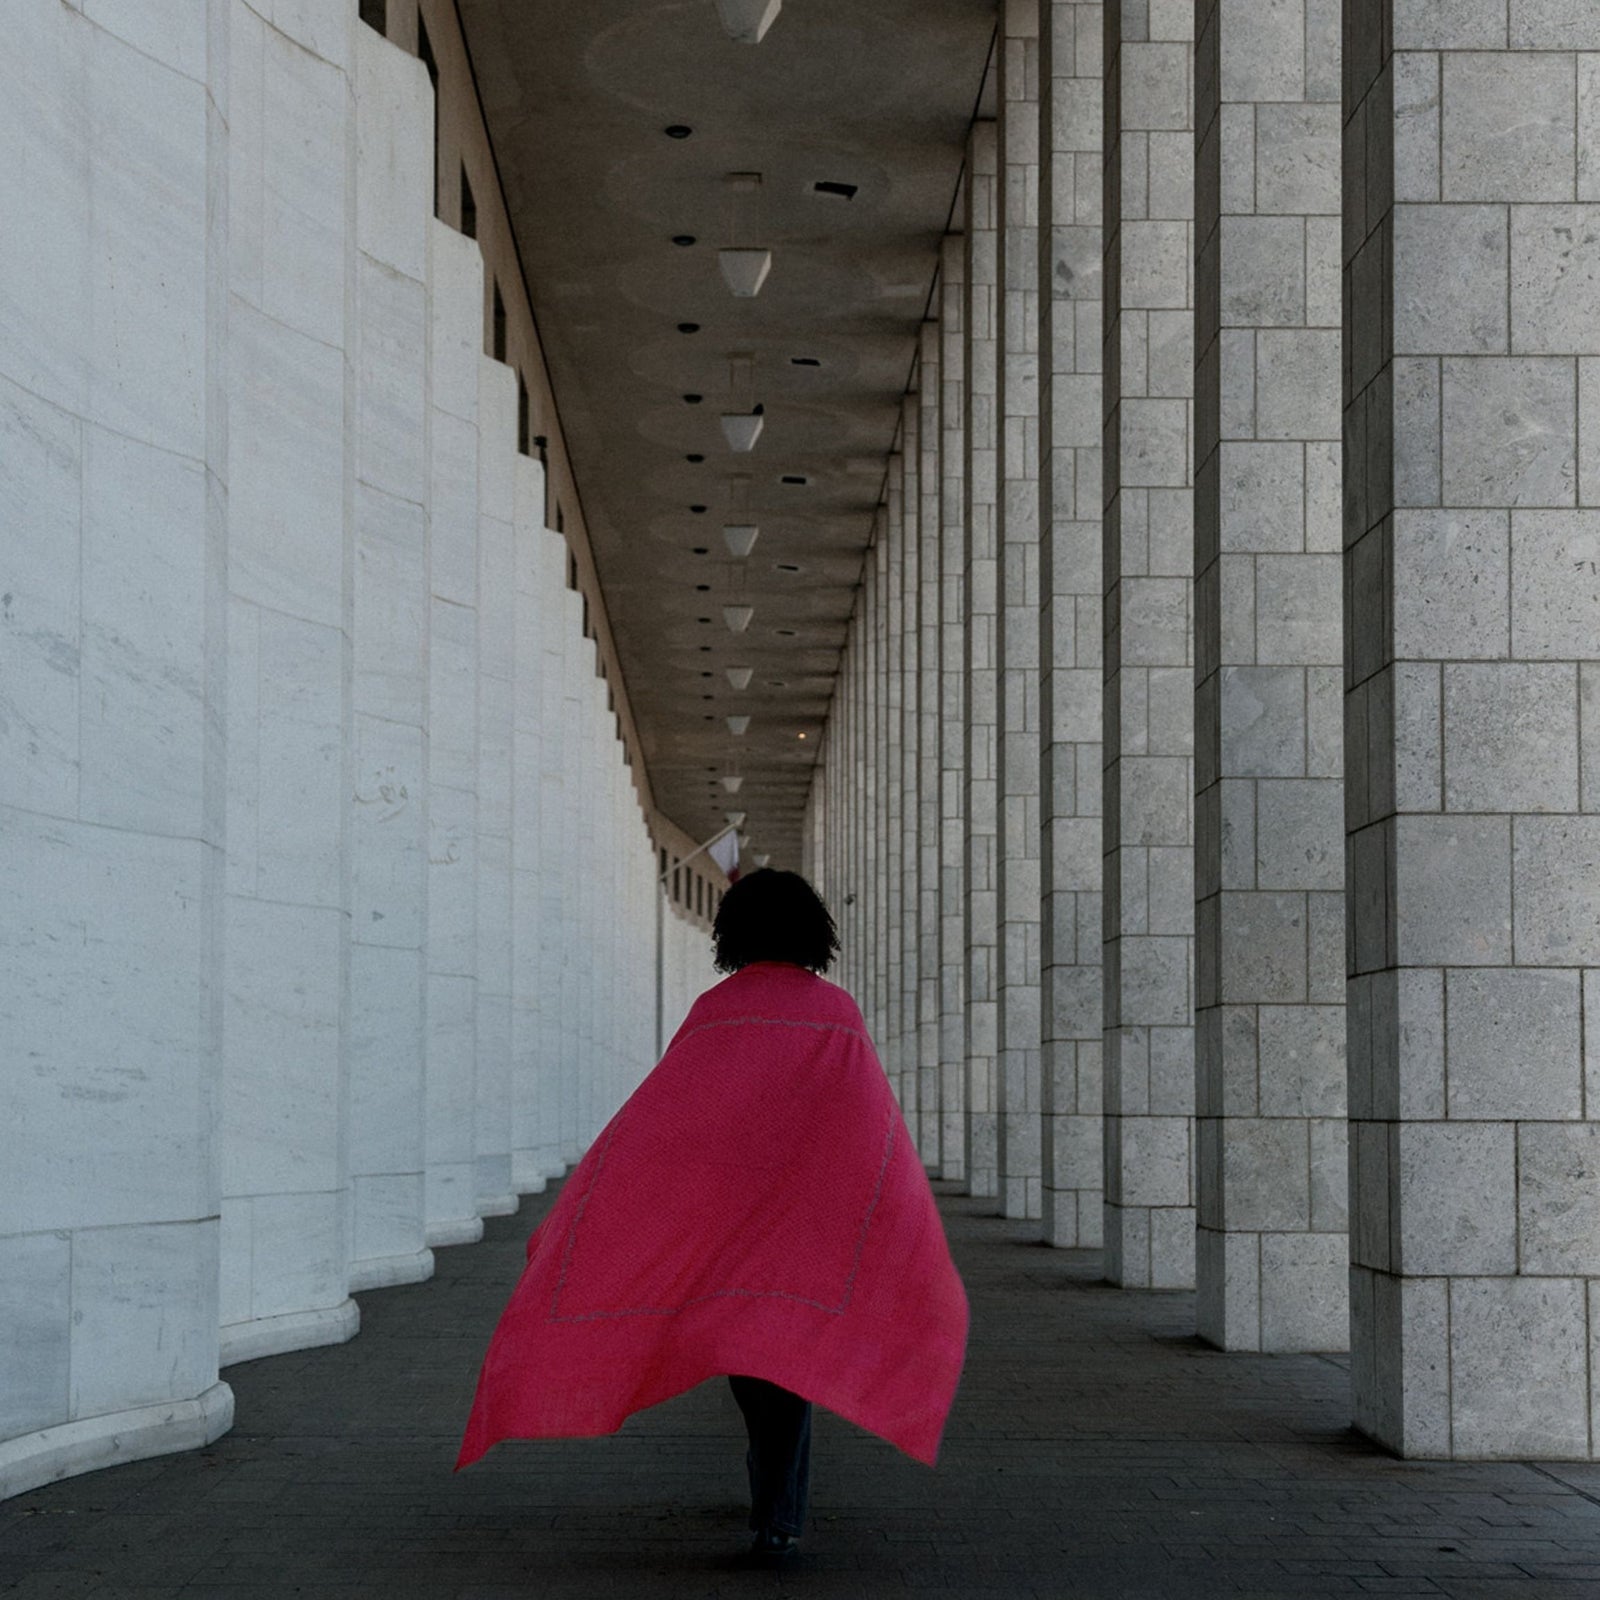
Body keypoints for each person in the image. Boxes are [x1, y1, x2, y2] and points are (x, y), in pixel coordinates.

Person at [456, 869, 969, 1560]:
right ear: (813, 932)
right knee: (784, 1361)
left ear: (734, 932)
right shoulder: (835, 1014)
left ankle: (777, 1502)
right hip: (804, 1229)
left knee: (756, 1364)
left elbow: (669, 1116)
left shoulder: (716, 1010)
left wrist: (611, 1195)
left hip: (730, 1231)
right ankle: (777, 1503)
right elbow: (868, 1127)